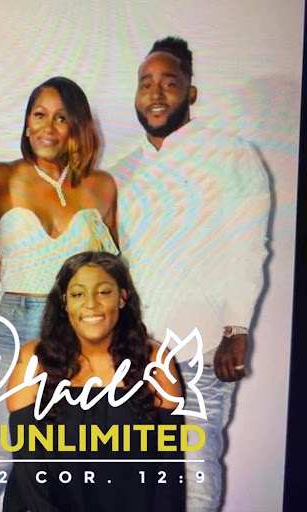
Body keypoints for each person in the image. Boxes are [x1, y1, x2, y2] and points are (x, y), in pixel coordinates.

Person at [111, 37, 270, 511]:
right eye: (146, 84)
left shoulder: (231, 154)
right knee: (133, 482)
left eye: (169, 82)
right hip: (135, 356)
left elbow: (248, 245)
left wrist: (237, 328)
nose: (156, 94)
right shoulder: (120, 173)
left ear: (191, 93)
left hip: (202, 351)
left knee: (196, 478)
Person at [0, 76, 119, 511]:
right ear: (26, 121)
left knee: (67, 463)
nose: (47, 127)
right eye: (39, 115)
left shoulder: (102, 186)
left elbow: (112, 270)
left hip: (78, 336)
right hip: (13, 331)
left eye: (61, 118)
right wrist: (23, 274)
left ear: (77, 127)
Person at [4, 251, 186, 512]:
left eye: (103, 292)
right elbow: (28, 469)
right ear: (64, 302)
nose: (91, 304)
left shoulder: (155, 360)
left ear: (122, 298)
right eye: (78, 294)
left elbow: (168, 472)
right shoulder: (33, 359)